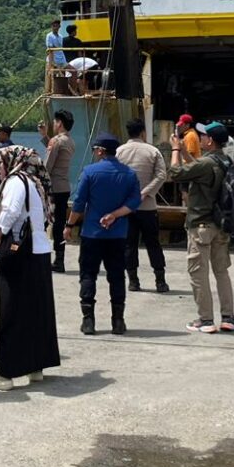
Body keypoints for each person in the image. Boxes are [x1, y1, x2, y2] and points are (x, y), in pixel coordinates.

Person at [0, 145, 61, 390]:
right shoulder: (33, 181)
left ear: (13, 161)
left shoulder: (16, 181)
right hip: (38, 252)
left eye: (0, 162)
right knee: (36, 311)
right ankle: (36, 365)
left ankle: (4, 373)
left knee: (11, 311)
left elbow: (10, 212)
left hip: (19, 254)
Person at [166, 121, 234, 333]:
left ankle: (205, 319)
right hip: (220, 225)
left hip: (200, 225)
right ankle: (229, 317)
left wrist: (175, 149)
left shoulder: (206, 163)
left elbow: (175, 173)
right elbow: (197, 169)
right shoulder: (224, 161)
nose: (200, 138)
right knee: (221, 272)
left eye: (203, 136)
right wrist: (185, 152)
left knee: (198, 274)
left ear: (210, 141)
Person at [67, 133, 141, 335]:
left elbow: (79, 203)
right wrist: (114, 215)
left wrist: (69, 225)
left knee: (88, 275)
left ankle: (88, 321)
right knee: (117, 276)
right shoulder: (129, 174)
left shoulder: (90, 172)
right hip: (118, 234)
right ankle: (118, 321)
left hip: (92, 233)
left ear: (100, 151)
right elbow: (135, 202)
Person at [117, 120, 169, 294]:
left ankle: (133, 281)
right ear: (143, 133)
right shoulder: (152, 151)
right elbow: (161, 175)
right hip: (148, 207)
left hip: (126, 207)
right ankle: (160, 281)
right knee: (153, 244)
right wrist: (145, 192)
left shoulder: (119, 151)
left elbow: (115, 175)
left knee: (129, 245)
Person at [40, 110, 75, 274]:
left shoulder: (56, 141)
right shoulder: (70, 141)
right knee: (59, 224)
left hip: (52, 188)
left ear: (59, 123)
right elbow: (55, 152)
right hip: (64, 187)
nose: (53, 124)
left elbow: (47, 166)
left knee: (42, 222)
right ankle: (59, 260)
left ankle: (38, 255)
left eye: (55, 122)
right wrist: (45, 137)